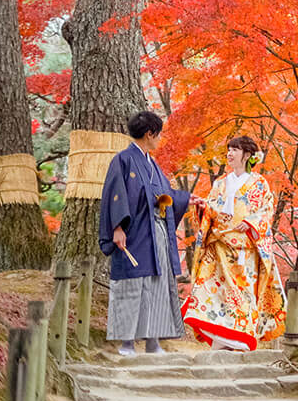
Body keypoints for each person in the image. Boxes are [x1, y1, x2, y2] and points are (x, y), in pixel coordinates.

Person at [98, 111, 191, 356]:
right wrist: (116, 228)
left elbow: (165, 195)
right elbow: (114, 195)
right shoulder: (123, 160)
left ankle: (153, 342)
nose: (160, 140)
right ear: (150, 134)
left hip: (158, 232)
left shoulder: (153, 165)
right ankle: (127, 342)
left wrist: (189, 200)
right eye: (158, 135)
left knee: (158, 285)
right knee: (132, 285)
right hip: (135, 232)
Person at [182, 135, 285, 351]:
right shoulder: (220, 183)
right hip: (219, 244)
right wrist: (202, 207)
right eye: (228, 149)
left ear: (247, 155)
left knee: (243, 294)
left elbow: (266, 210)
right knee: (211, 290)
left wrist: (250, 223)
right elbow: (211, 210)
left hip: (245, 249)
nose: (229, 153)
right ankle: (220, 339)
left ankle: (239, 338)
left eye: (235, 150)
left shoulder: (259, 183)